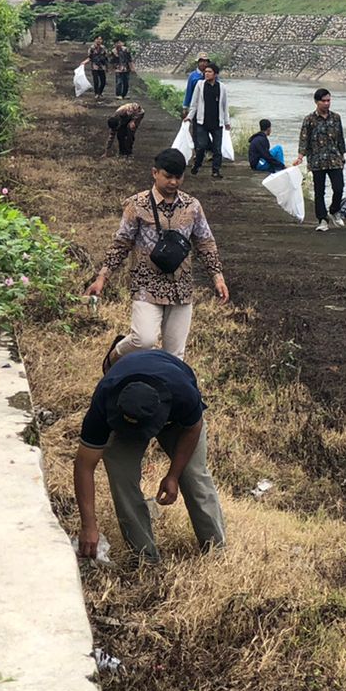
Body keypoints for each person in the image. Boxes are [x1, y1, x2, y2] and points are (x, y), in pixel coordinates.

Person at [73, 348, 225, 564]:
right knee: (120, 474)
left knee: (193, 476)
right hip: (124, 416)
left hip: (178, 423)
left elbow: (194, 428)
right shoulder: (104, 399)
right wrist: (89, 526)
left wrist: (173, 475)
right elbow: (84, 466)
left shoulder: (182, 392)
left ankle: (217, 550)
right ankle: (145, 558)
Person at [87, 148, 229, 369]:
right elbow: (122, 242)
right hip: (146, 284)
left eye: (178, 177)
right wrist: (102, 277)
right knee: (143, 340)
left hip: (181, 287)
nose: (173, 182)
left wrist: (217, 277)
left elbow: (205, 242)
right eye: (168, 176)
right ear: (155, 173)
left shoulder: (192, 206)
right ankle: (114, 357)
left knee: (175, 356)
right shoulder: (137, 204)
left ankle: (164, 395)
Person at [294, 87, 346, 232]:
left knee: (339, 187)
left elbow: (340, 137)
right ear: (317, 102)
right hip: (317, 161)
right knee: (319, 191)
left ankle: (334, 210)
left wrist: (343, 154)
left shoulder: (336, 118)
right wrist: (300, 156)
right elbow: (304, 139)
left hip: (334, 158)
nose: (327, 103)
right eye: (324, 101)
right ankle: (322, 219)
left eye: (329, 100)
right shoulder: (309, 120)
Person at [183, 63, 230, 178]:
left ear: (215, 74)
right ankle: (197, 164)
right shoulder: (200, 85)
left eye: (209, 72)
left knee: (217, 149)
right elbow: (194, 104)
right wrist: (189, 116)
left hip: (216, 122)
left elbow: (225, 106)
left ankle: (216, 171)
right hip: (202, 121)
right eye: (206, 72)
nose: (206, 73)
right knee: (201, 146)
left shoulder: (222, 87)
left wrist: (227, 121)